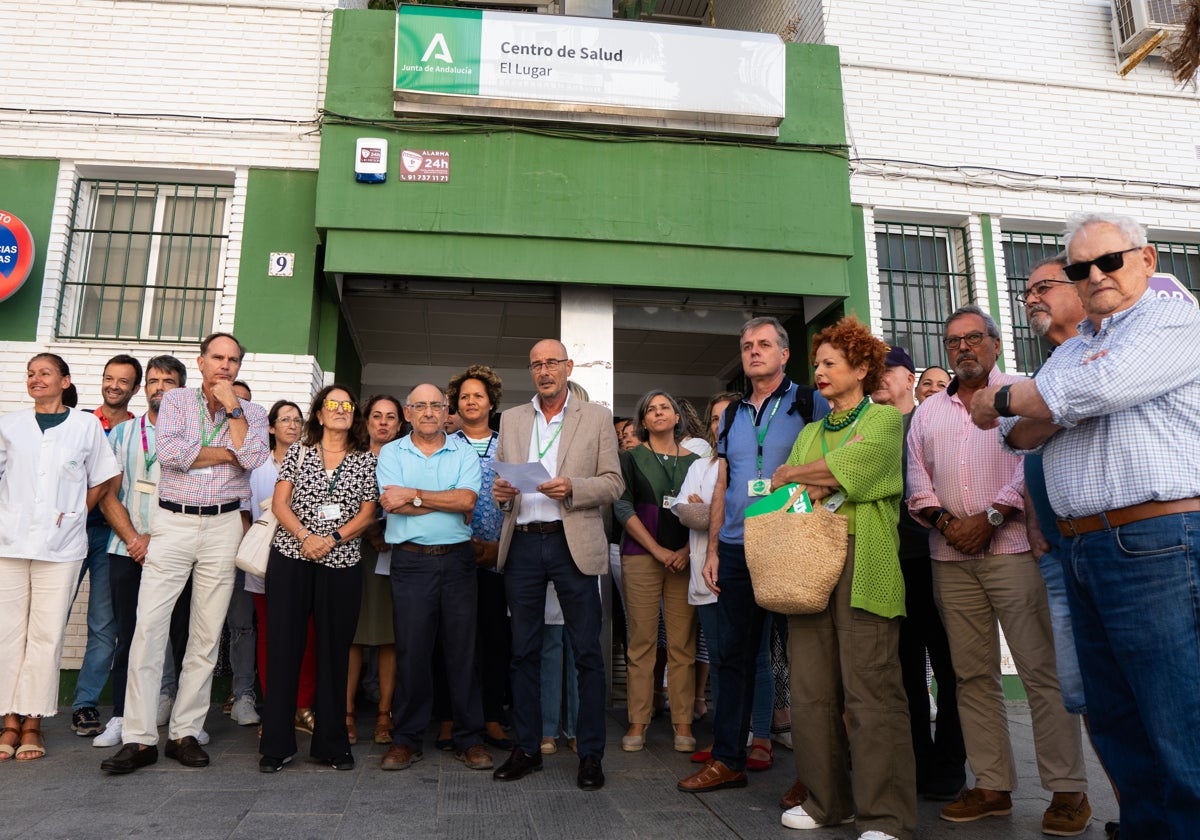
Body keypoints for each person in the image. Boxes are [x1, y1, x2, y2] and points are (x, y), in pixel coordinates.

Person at [970, 213, 1198, 837]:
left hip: (1154, 543)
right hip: (1082, 549)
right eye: (1079, 268)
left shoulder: (1173, 319)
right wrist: (1039, 403)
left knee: (1177, 725)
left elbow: (1094, 390)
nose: (1095, 276)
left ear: (1147, 260)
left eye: (1109, 261)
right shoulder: (1075, 347)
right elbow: (1021, 433)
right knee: (1117, 723)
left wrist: (1008, 397)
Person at [908, 306, 1089, 835]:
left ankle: (1068, 790)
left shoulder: (1022, 394)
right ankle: (991, 786)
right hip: (950, 559)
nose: (963, 348)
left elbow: (1031, 466)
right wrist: (948, 523)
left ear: (995, 342)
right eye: (953, 342)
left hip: (1011, 550)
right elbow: (918, 481)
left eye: (972, 338)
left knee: (1040, 671)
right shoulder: (927, 413)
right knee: (970, 677)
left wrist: (990, 518)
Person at [765, 317, 915, 839]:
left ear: (862, 367)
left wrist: (792, 472)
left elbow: (843, 475)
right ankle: (827, 802)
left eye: (831, 363)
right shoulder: (810, 431)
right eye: (818, 364)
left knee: (871, 691)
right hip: (810, 562)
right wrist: (799, 477)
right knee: (810, 691)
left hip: (863, 560)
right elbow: (796, 492)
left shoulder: (884, 421)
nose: (820, 372)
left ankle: (887, 817)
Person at [101, 332, 269, 774]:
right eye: (217, 357)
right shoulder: (174, 401)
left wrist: (233, 409)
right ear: (200, 361)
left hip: (224, 524)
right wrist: (229, 452)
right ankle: (139, 739)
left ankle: (184, 733)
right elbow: (172, 454)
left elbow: (252, 458)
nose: (225, 366)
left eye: (233, 359)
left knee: (206, 633)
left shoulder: (252, 411)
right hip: (172, 523)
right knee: (149, 628)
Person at [677, 317, 811, 795]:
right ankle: (728, 760)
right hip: (735, 547)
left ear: (784, 354)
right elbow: (723, 485)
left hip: (791, 542)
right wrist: (712, 549)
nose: (754, 352)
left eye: (764, 345)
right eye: (747, 345)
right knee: (733, 658)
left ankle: (815, 776)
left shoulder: (807, 402)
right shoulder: (731, 414)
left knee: (808, 659)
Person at [490, 339, 623, 792]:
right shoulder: (510, 419)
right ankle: (527, 748)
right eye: (536, 365)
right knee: (523, 651)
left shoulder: (597, 417)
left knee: (586, 650)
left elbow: (613, 484)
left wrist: (573, 487)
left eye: (552, 363)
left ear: (568, 367)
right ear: (531, 372)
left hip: (573, 544)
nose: (544, 371)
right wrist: (502, 496)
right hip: (524, 543)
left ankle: (590, 755)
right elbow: (501, 485)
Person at [0, 353, 120, 761]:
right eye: (31, 373)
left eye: (45, 373)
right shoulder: (10, 424)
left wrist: (77, 514)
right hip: (9, 542)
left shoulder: (85, 425)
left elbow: (106, 476)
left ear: (65, 381)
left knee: (47, 634)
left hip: (63, 546)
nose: (36, 379)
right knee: (8, 632)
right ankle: (8, 720)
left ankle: (33, 723)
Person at [258, 385, 379, 772]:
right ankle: (277, 745)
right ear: (320, 414)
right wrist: (306, 537)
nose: (341, 410)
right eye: (333, 404)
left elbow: (368, 513)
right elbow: (280, 503)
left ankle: (331, 745)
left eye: (348, 405)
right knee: (284, 650)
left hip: (341, 561)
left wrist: (332, 538)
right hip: (292, 556)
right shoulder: (298, 452)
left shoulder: (365, 461)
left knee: (333, 652)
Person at [376, 384, 490, 772]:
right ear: (407, 413)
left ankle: (469, 738)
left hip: (458, 563)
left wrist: (416, 496)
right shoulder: (392, 452)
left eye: (436, 405)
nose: (428, 412)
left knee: (463, 652)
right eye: (420, 406)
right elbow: (393, 502)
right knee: (411, 651)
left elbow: (468, 501)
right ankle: (405, 739)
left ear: (447, 412)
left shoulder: (463, 450)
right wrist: (442, 499)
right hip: (410, 563)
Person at [871, 345, 966, 801]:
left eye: (887, 370)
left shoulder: (930, 420)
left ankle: (950, 764)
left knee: (949, 667)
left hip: (935, 557)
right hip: (888, 561)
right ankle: (916, 760)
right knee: (903, 669)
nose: (879, 378)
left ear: (909, 377)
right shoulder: (868, 428)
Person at [94, 355, 193, 749]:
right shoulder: (121, 434)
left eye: (168, 381)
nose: (159, 388)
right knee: (129, 634)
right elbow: (107, 494)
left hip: (177, 548)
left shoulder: (194, 436)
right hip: (125, 548)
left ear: (182, 390)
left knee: (182, 634)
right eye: (153, 381)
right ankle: (122, 715)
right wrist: (136, 538)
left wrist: (156, 537)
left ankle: (188, 723)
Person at [616, 390, 700, 754]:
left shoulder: (697, 462)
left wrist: (682, 551)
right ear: (643, 420)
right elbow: (621, 506)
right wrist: (658, 550)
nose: (659, 413)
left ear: (678, 416)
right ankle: (639, 720)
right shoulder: (630, 458)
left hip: (685, 558)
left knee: (683, 644)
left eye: (665, 407)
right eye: (651, 409)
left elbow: (707, 510)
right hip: (641, 555)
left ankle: (683, 723)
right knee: (642, 643)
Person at [71, 353, 141, 738]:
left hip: (110, 534)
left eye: (124, 381)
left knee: (103, 625)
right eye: (109, 378)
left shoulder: (138, 431)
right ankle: (21, 705)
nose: (115, 385)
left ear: (135, 388)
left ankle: (84, 704)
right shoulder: (79, 422)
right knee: (49, 619)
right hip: (66, 532)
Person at [446, 366, 513, 750]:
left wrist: (497, 548)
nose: (471, 402)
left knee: (493, 639)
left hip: (498, 555)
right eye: (464, 396)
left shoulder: (509, 445)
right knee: (452, 639)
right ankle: (449, 716)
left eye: (478, 396)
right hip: (452, 553)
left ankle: (491, 716)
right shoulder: (442, 443)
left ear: (491, 403)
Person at [246, 400, 319, 737]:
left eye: (297, 419)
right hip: (263, 558)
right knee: (271, 637)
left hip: (302, 557)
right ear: (271, 427)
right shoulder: (257, 464)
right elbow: (244, 510)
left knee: (306, 636)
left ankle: (302, 705)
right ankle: (276, 708)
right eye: (284, 419)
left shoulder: (314, 459)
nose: (292, 425)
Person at [347, 394, 402, 746]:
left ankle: (385, 714)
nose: (383, 422)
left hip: (396, 554)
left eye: (391, 417)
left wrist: (386, 533)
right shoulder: (352, 458)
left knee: (388, 635)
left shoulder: (407, 458)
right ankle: (346, 712)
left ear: (400, 424)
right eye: (377, 416)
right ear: (366, 421)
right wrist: (368, 528)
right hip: (353, 553)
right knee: (352, 634)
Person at [224, 380, 259, 726]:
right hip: (224, 546)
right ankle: (239, 693)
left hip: (258, 552)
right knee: (238, 626)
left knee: (249, 625)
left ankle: (249, 693)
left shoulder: (255, 446)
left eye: (242, 405)